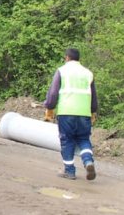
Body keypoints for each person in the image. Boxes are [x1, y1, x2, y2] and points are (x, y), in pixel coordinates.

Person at [43, 48, 98, 181]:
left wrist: (49, 108)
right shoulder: (88, 73)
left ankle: (70, 171)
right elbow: (94, 96)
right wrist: (93, 111)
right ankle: (88, 161)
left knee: (67, 141)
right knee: (84, 139)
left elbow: (53, 93)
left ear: (67, 58)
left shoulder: (62, 71)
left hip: (66, 112)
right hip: (84, 113)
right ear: (78, 59)